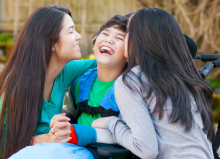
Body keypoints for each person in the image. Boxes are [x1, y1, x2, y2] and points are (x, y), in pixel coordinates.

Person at [92, 8, 215, 159]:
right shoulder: (183, 80)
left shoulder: (131, 80)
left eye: (129, 31)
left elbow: (146, 150)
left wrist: (111, 122)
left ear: (143, 38)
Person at [0, 6, 97, 159]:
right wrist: (47, 139)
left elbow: (104, 63)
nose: (78, 36)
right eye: (71, 31)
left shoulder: (64, 71)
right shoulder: (18, 85)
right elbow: (5, 141)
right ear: (51, 42)